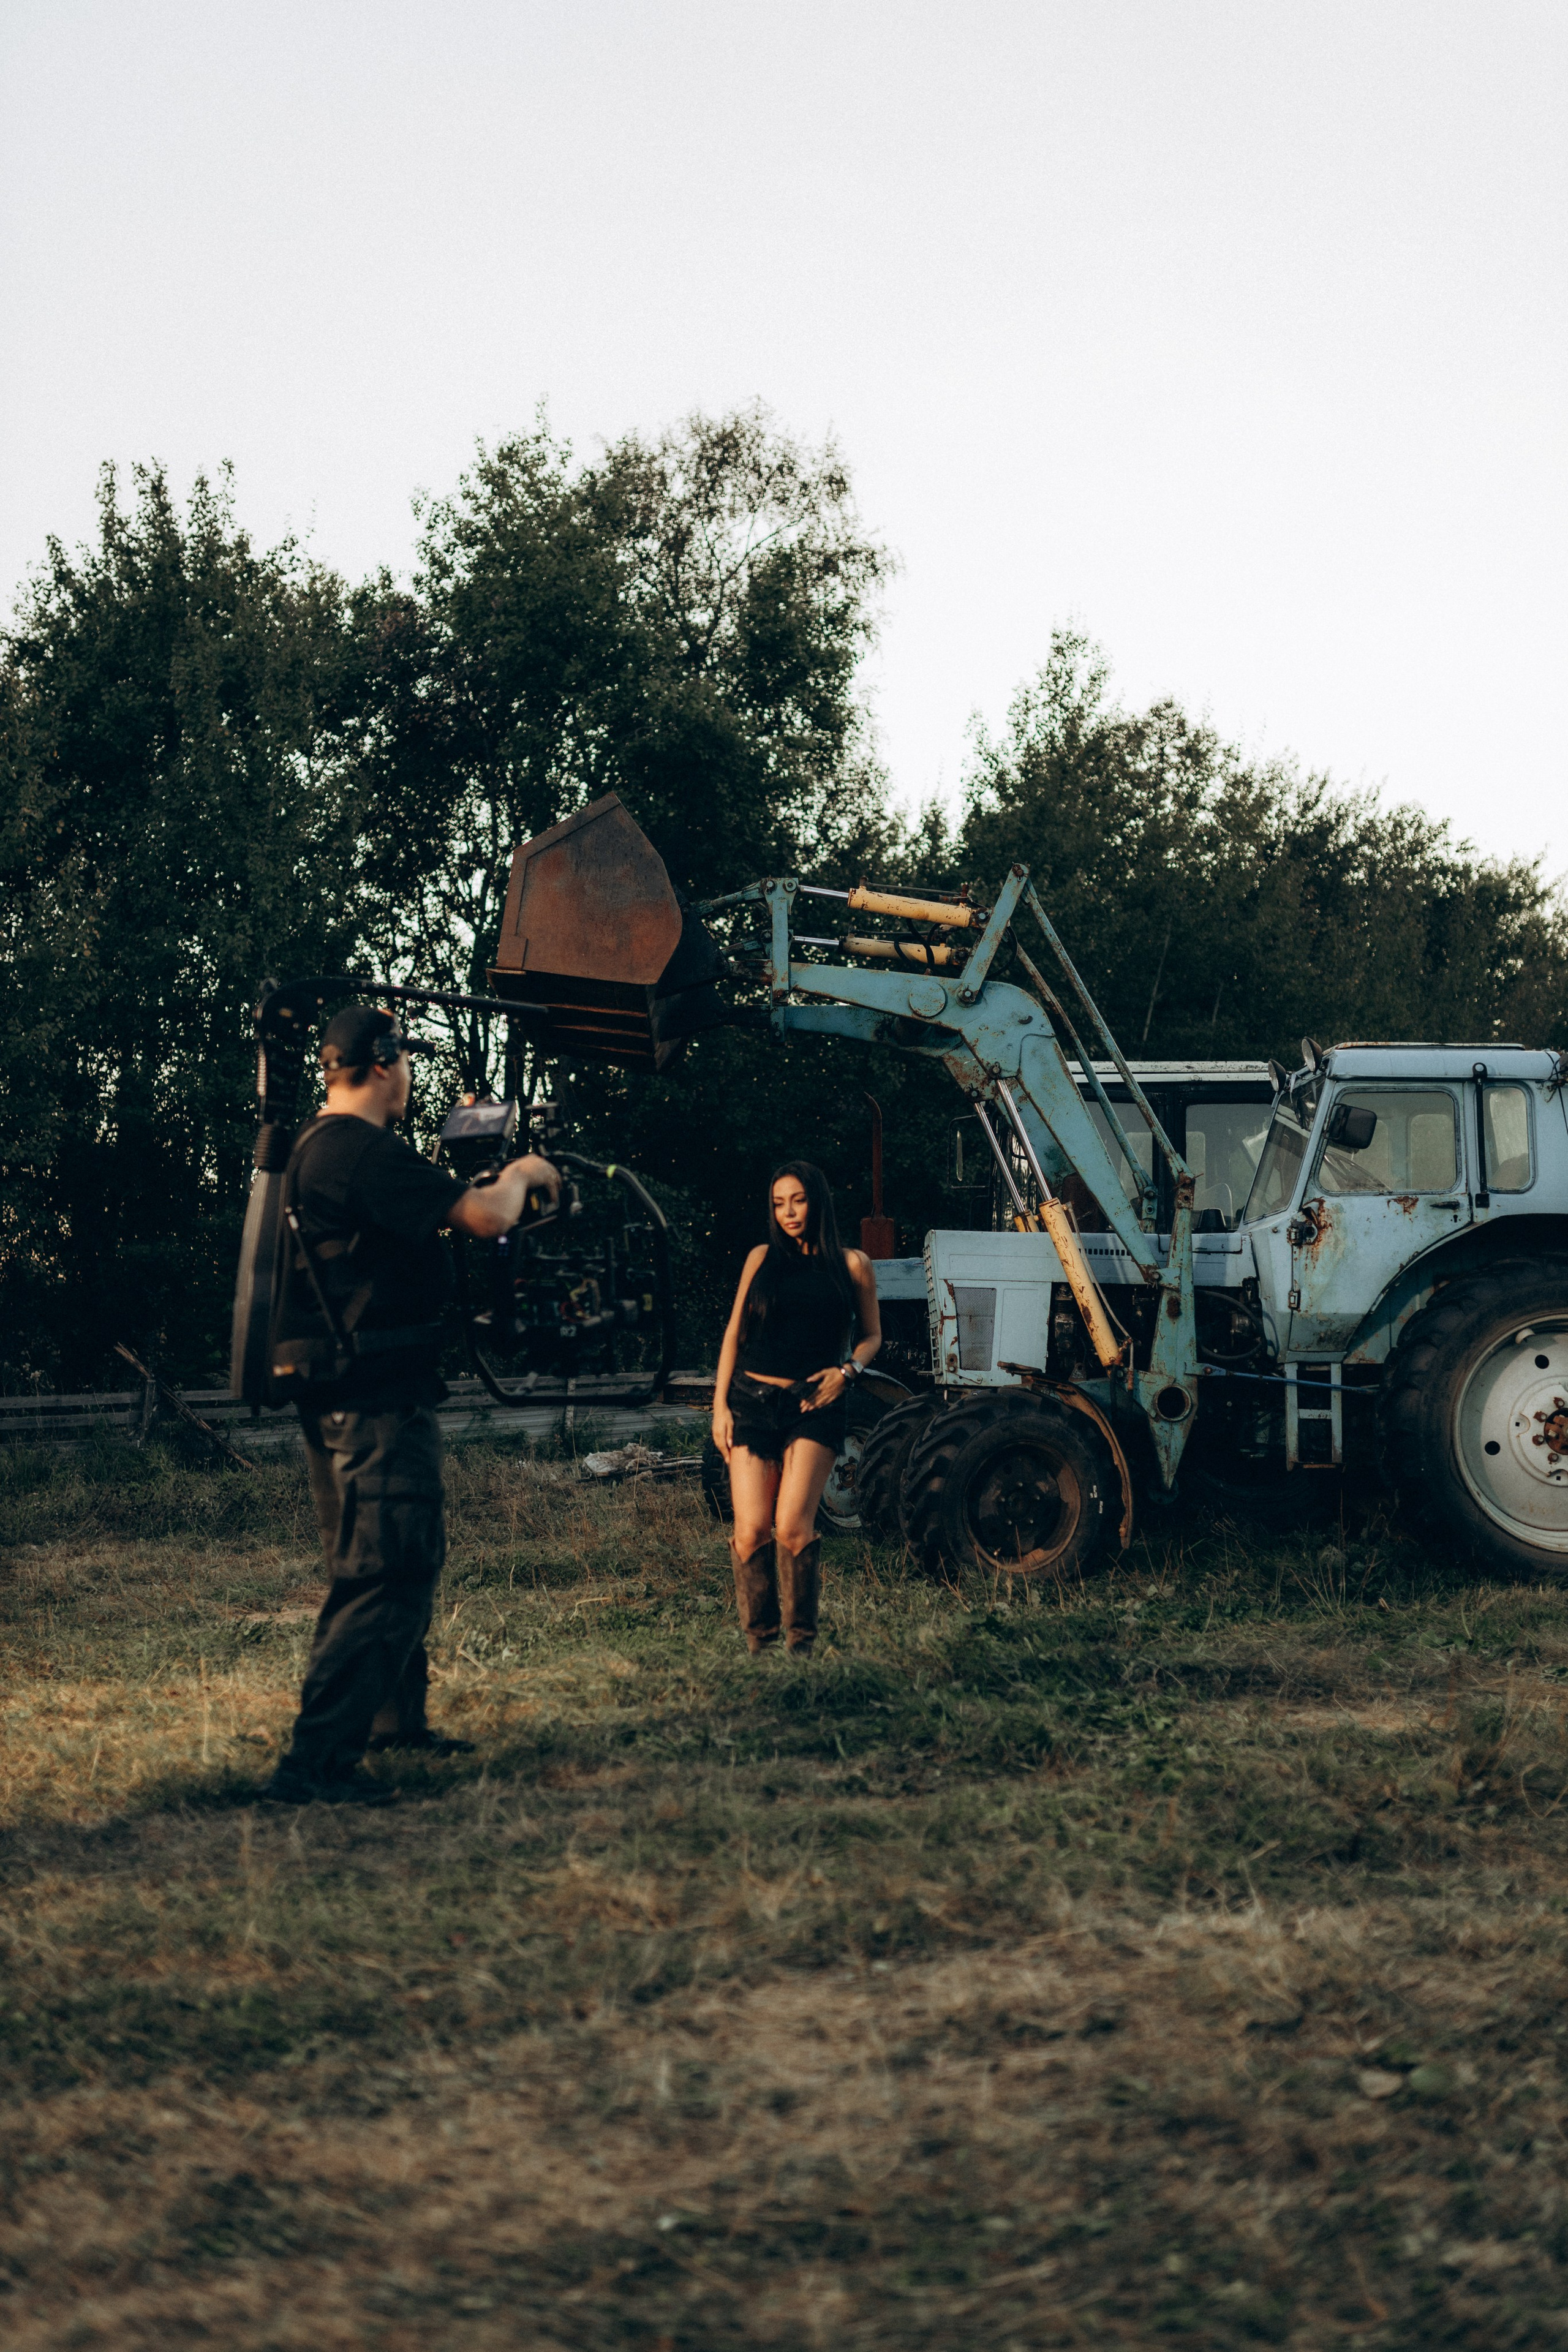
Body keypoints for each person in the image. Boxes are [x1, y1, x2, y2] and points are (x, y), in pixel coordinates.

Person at [262, 1006, 560, 1805]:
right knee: (386, 1564)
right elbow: (485, 1215)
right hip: (375, 1396)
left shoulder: (316, 1149)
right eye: (408, 1064)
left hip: (346, 1386)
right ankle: (315, 1765)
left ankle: (395, 1722)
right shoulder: (361, 1151)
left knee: (387, 1555)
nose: (413, 1080)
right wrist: (527, 1171)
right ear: (384, 1064)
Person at [711, 1161, 881, 1655]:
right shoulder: (761, 1258)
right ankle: (759, 1645)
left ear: (818, 1201)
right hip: (751, 1400)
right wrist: (719, 1406)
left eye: (798, 1200)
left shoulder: (852, 1265)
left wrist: (847, 1372)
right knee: (749, 1531)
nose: (788, 1212)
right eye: (779, 1202)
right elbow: (734, 1335)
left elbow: (872, 1335)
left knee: (790, 1526)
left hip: (815, 1402)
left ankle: (801, 1645)